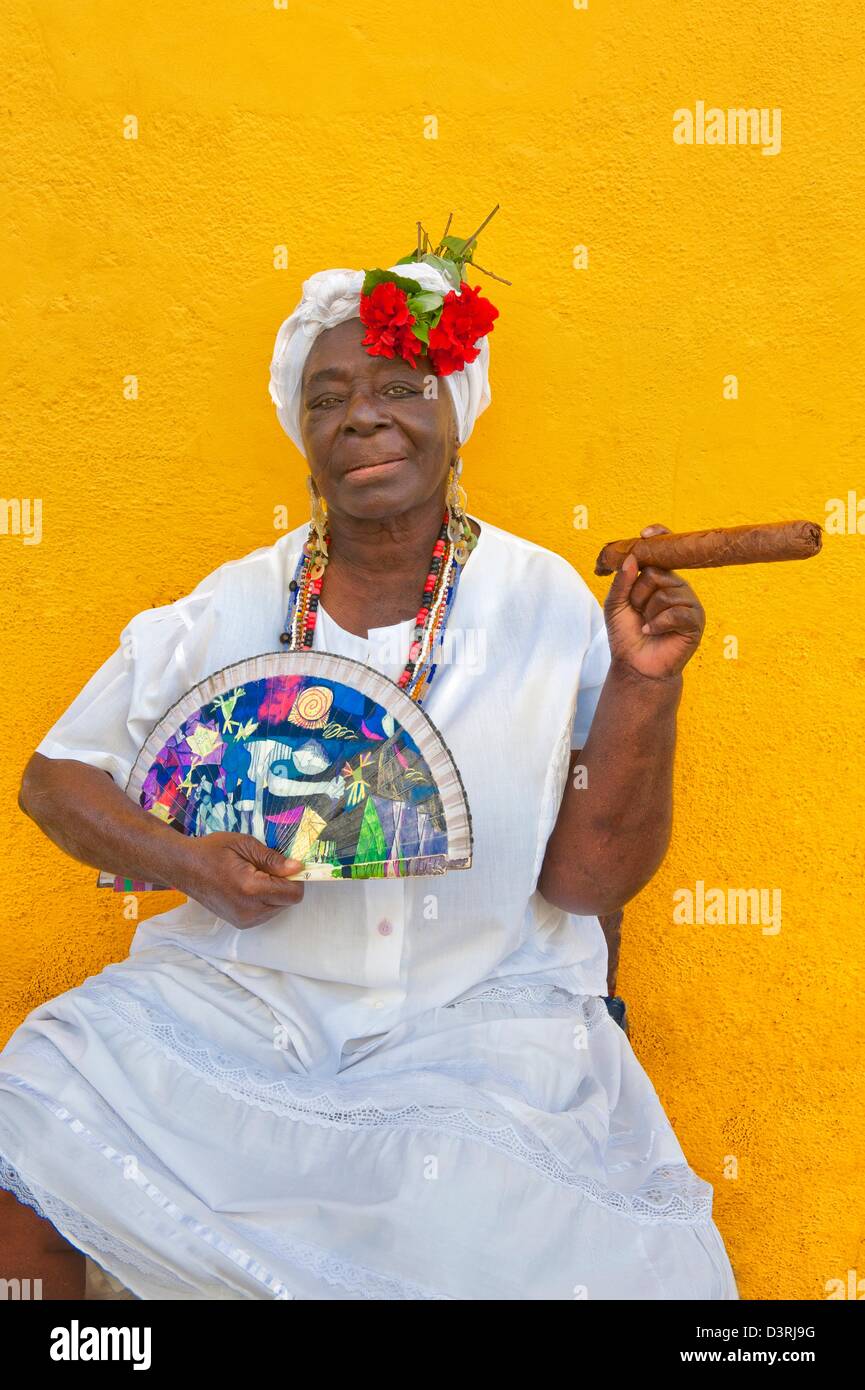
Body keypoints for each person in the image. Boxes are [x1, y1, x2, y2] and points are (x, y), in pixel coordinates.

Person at [0, 238, 739, 1300]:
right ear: (304, 437)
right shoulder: (230, 605)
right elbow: (54, 777)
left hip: (482, 1016)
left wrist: (643, 683)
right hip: (243, 1003)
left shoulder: (545, 602)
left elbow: (583, 884)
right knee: (35, 1104)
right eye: (327, 396)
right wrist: (186, 861)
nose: (361, 414)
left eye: (400, 386)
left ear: (454, 416)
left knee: (471, 1210)